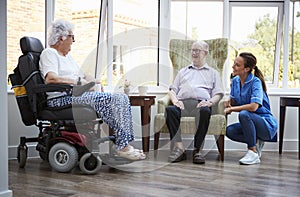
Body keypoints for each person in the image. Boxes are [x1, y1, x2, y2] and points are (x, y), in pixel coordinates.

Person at [39, 19, 145, 161]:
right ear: (61, 38)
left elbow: (82, 75)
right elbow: (50, 79)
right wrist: (78, 82)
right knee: (115, 99)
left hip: (74, 97)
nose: (73, 41)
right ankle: (122, 146)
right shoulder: (49, 53)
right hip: (60, 100)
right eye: (72, 37)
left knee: (121, 98)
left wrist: (94, 81)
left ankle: (123, 143)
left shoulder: (67, 57)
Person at [165, 40, 224, 164]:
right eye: (192, 50)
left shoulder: (213, 73)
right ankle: (179, 148)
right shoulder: (183, 71)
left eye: (197, 50)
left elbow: (218, 94)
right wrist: (175, 101)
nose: (194, 53)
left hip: (201, 103)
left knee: (205, 111)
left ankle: (197, 150)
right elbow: (172, 90)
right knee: (170, 110)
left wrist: (209, 102)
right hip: (183, 103)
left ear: (205, 53)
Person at [224, 52, 278, 165]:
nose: (233, 66)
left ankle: (252, 151)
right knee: (229, 131)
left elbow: (253, 107)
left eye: (237, 65)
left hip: (265, 124)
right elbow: (236, 100)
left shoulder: (255, 82)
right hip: (252, 122)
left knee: (244, 114)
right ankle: (256, 141)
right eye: (234, 63)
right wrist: (229, 100)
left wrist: (232, 109)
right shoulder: (235, 81)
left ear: (247, 68)